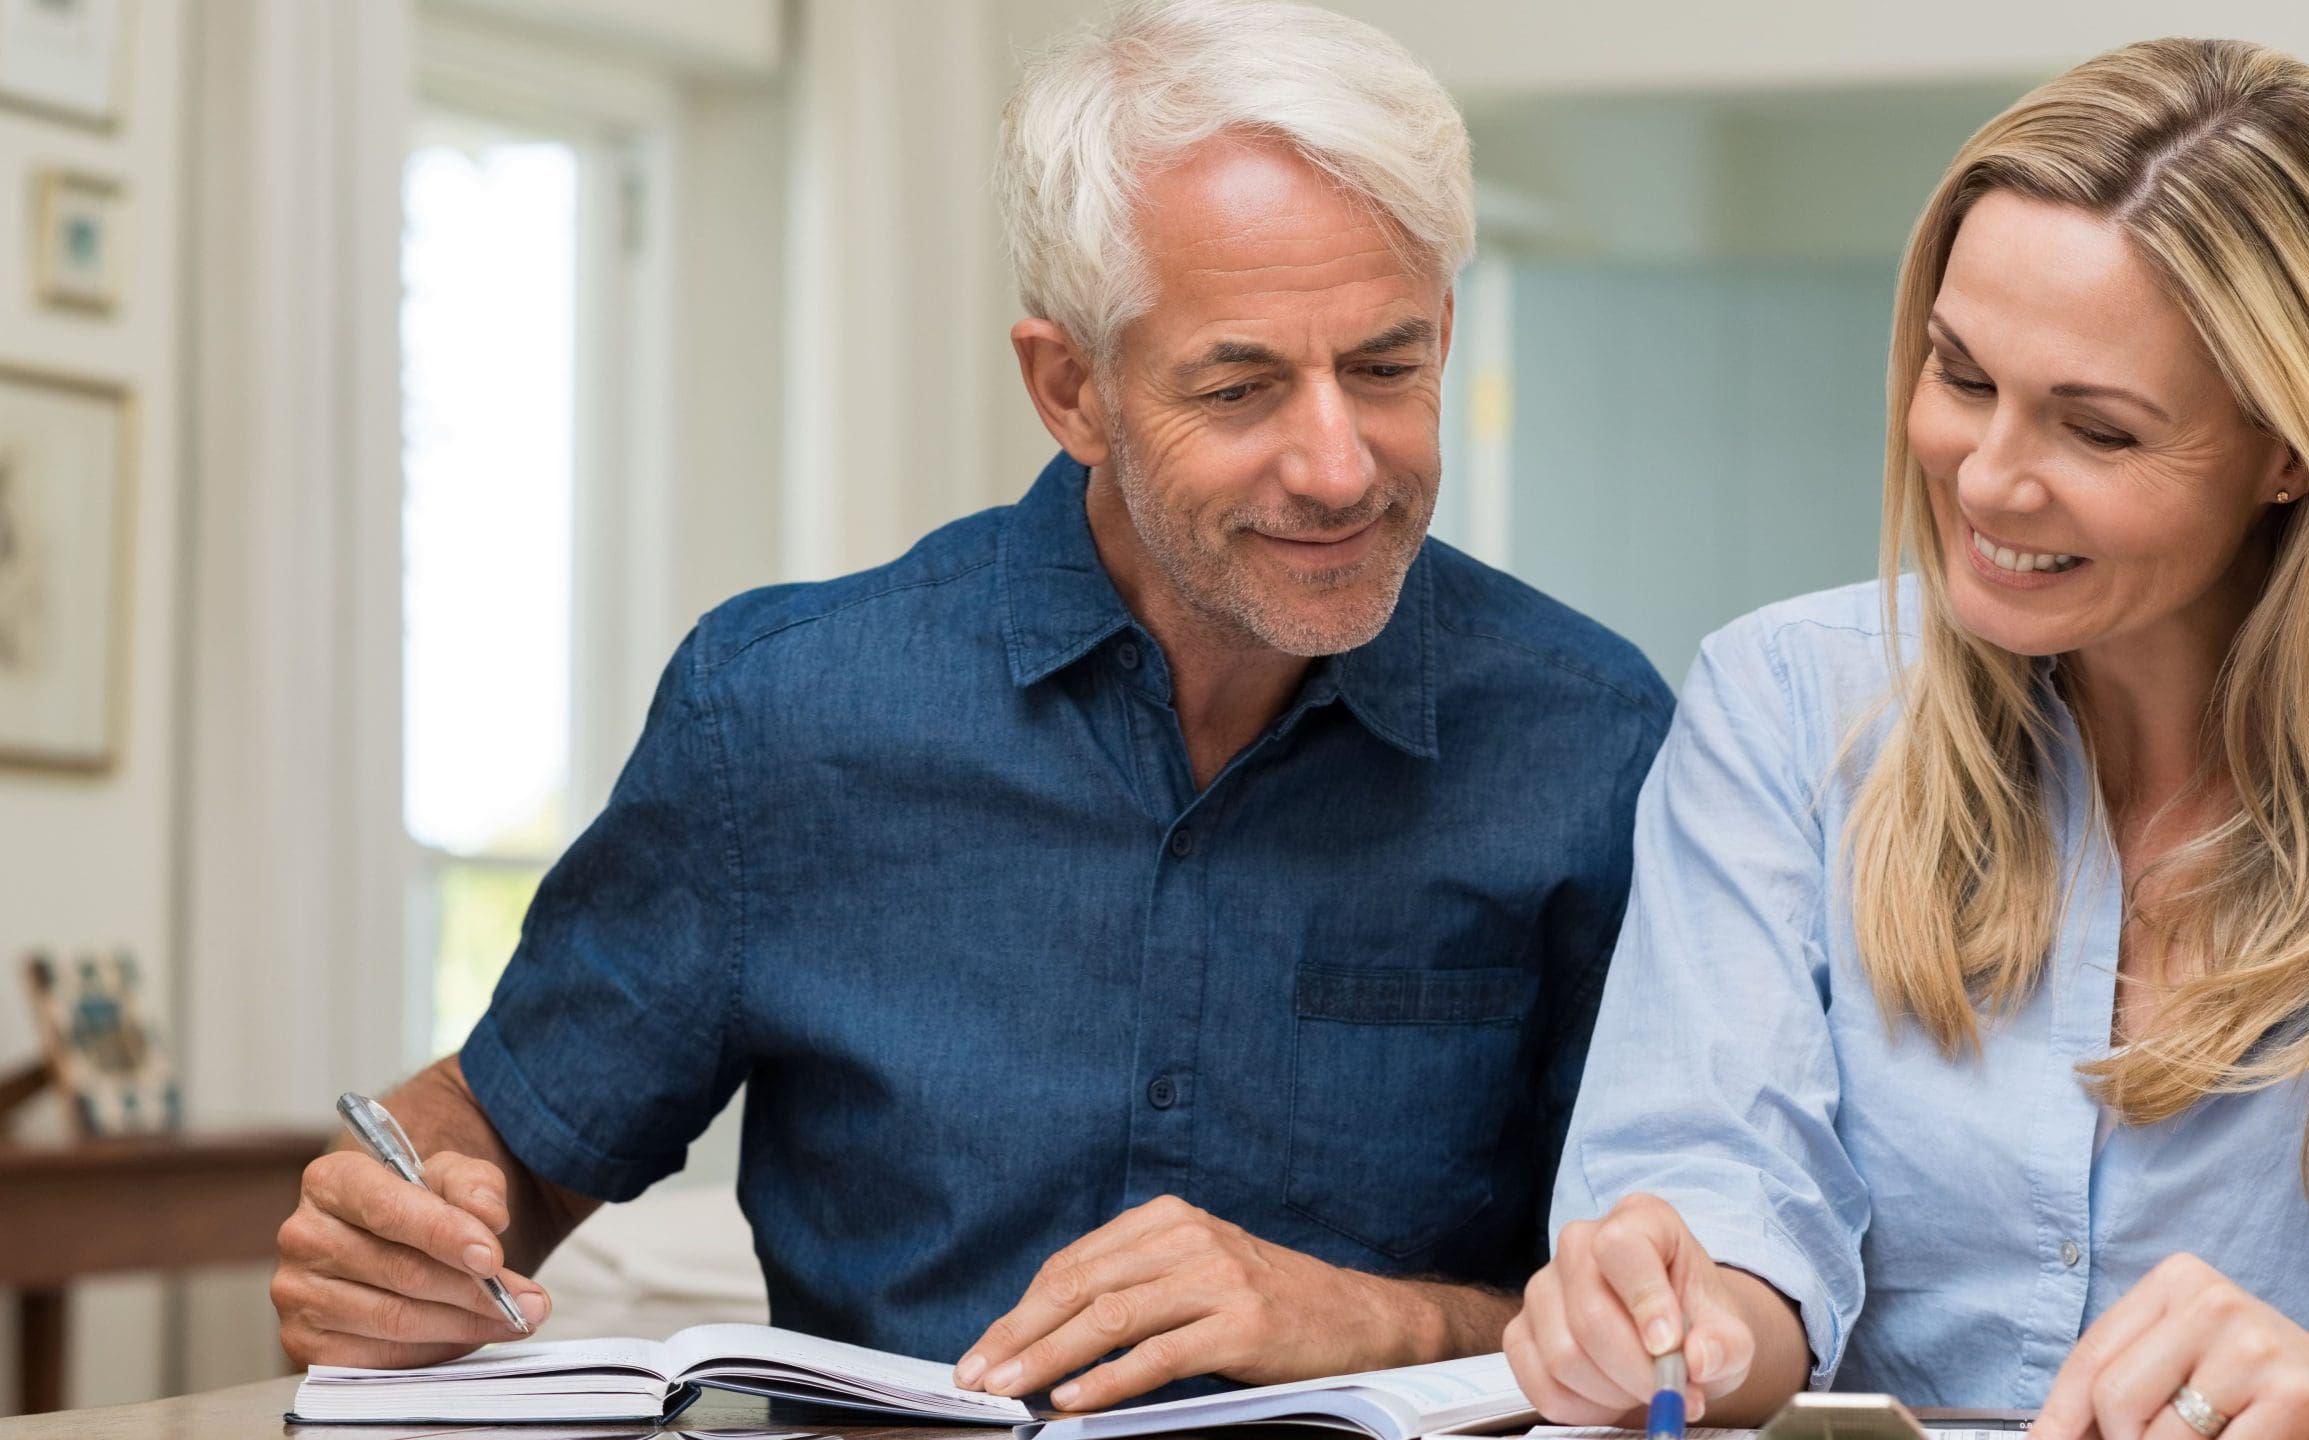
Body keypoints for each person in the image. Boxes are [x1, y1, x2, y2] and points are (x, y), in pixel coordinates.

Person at [268, 0, 1672, 1410]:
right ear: (1071, 388)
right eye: (1240, 386)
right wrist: (399, 1249)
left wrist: (1363, 1319)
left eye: (1386, 368)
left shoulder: (1589, 740)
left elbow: (1669, 1306)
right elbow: (507, 1142)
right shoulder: (781, 715)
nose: (1337, 465)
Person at [1506, 37, 2309, 1440]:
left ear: (2292, 449)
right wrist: (1678, 1323)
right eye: (1959, 374)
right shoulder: (1784, 706)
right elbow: (1727, 1206)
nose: (1989, 477)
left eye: (2100, 431)